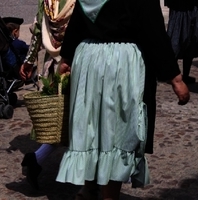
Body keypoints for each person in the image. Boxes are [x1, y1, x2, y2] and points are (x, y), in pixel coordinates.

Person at [56, 0, 190, 199]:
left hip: (89, 60)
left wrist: (66, 57)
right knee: (117, 132)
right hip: (121, 64)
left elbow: (77, 22)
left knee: (92, 127)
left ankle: (89, 188)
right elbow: (152, 32)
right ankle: (108, 195)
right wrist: (175, 77)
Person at [19, 0, 76, 190]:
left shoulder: (48, 1)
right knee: (72, 120)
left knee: (59, 119)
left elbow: (37, 31)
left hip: (53, 66)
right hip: (75, 64)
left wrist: (28, 61)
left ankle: (37, 159)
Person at [165, 0, 198, 84]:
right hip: (180, 9)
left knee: (191, 41)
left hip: (192, 8)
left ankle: (185, 74)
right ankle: (172, 74)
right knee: (176, 41)